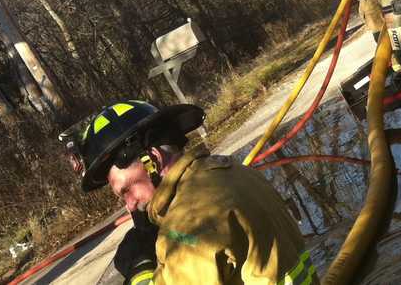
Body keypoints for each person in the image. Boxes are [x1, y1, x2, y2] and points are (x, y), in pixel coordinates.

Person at [79, 100, 315, 285]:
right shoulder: (231, 171)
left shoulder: (191, 221)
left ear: (153, 159)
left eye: (127, 189)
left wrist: (139, 269)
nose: (129, 205)